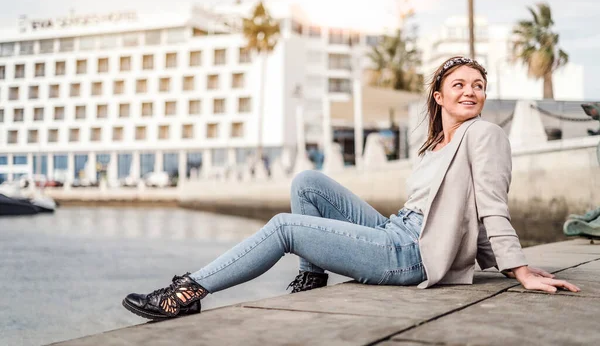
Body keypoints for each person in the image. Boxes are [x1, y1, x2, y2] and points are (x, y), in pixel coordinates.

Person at [122, 56, 580, 320]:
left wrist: (516, 268)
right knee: (308, 182)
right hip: (399, 230)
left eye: (478, 86)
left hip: (412, 254)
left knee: (284, 226)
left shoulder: (485, 134)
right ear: (438, 96)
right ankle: (312, 275)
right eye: (459, 84)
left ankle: (186, 293)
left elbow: (492, 206)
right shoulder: (436, 145)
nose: (471, 92)